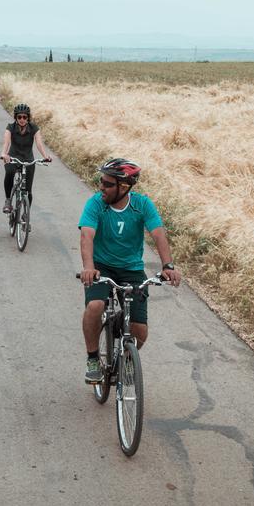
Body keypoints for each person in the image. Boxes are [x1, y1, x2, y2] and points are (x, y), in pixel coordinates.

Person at [78, 158, 181, 384]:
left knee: (140, 331)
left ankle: (126, 359)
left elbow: (158, 233)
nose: (101, 187)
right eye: (101, 182)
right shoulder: (96, 203)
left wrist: (168, 265)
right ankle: (93, 358)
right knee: (95, 306)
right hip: (101, 268)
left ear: (123, 187)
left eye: (107, 184)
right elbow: (87, 235)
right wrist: (88, 267)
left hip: (131, 269)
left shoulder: (142, 204)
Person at [0, 103, 51, 214]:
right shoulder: (10, 127)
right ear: (16, 117)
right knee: (9, 173)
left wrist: (45, 157)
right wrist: (4, 154)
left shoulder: (34, 128)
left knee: (28, 191)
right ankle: (8, 200)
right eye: (19, 117)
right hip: (13, 158)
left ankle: (25, 214)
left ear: (28, 118)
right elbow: (6, 142)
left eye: (25, 117)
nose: (22, 119)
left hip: (28, 160)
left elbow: (39, 144)